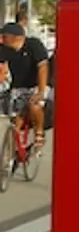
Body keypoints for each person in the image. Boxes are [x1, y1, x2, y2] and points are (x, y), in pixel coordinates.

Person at [0, 22, 49, 151]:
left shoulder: (33, 44)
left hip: (37, 84)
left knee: (34, 105)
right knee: (15, 118)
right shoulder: (4, 49)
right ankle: (13, 152)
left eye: (4, 36)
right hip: (17, 87)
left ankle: (39, 133)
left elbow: (42, 67)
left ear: (15, 37)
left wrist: (41, 91)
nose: (1, 39)